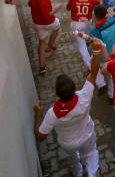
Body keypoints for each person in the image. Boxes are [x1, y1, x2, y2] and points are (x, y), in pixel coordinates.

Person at [34, 37, 104, 177]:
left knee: (73, 159)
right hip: (88, 136)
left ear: (57, 95)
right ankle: (92, 174)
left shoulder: (52, 114)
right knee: (91, 154)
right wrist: (96, 51)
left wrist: (37, 115)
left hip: (68, 144)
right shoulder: (84, 96)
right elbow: (94, 72)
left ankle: (77, 172)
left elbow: (40, 137)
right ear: (74, 89)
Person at [29, 0, 62, 75]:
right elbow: (47, 16)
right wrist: (57, 8)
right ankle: (51, 45)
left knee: (41, 43)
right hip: (48, 22)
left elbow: (29, 4)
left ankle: (42, 67)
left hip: (37, 23)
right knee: (57, 27)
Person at [91, 4, 115, 100]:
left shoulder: (95, 31)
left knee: (109, 78)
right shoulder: (113, 20)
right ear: (106, 13)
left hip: (105, 57)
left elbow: (100, 47)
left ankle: (111, 96)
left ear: (96, 16)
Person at [67, 0, 100, 73]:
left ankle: (90, 67)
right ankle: (89, 41)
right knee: (88, 32)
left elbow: (67, 8)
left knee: (82, 47)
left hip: (77, 24)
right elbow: (98, 3)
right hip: (87, 22)